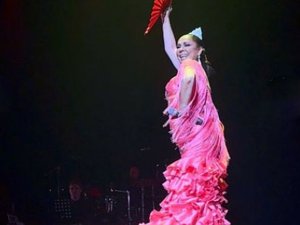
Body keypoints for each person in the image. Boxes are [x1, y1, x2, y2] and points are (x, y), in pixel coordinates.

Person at [141, 6, 230, 225]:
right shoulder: (193, 67)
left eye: (186, 45)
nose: (180, 50)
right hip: (200, 134)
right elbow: (169, 48)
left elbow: (188, 79)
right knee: (198, 187)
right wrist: (165, 19)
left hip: (199, 135)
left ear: (199, 50)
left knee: (192, 180)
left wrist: (179, 108)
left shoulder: (190, 66)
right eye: (180, 46)